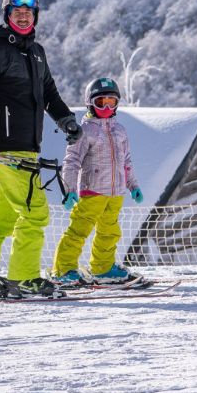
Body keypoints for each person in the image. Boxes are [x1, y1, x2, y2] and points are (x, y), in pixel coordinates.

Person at [0, 0, 82, 297]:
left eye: (29, 11)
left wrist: (66, 119)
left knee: (3, 215)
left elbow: (50, 95)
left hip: (27, 146)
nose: (24, 15)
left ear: (35, 16)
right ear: (7, 15)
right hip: (6, 146)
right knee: (34, 212)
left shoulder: (36, 53)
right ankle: (23, 279)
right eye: (17, 11)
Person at [51, 78, 144, 285]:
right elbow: (72, 161)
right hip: (92, 191)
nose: (107, 106)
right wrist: (69, 189)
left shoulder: (120, 130)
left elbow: (127, 161)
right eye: (102, 102)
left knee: (109, 232)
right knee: (78, 231)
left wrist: (133, 185)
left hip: (116, 193)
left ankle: (102, 268)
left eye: (112, 102)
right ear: (90, 103)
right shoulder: (85, 130)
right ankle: (63, 269)